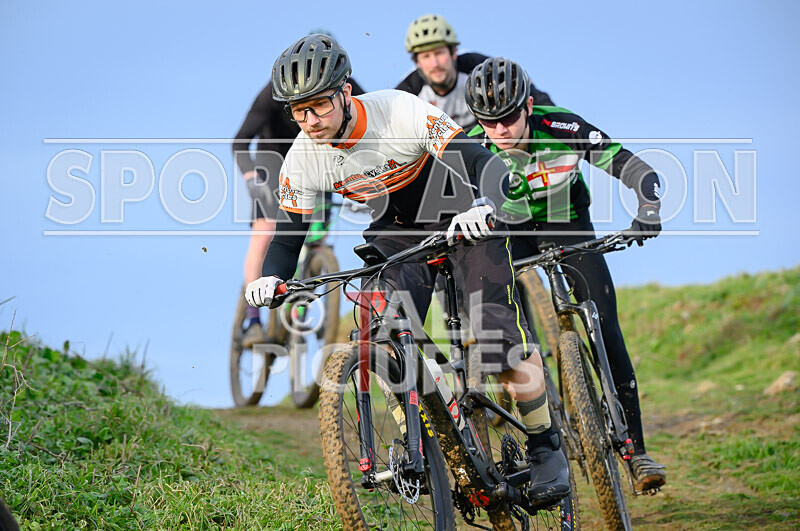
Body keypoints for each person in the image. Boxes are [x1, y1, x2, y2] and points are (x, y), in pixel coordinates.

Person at [245, 33, 569, 506]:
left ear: (345, 94)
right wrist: (269, 278)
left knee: (496, 339)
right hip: (397, 230)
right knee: (381, 331)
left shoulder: (399, 111)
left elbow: (477, 159)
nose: (309, 120)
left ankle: (546, 447)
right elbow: (288, 235)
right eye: (298, 111)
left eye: (318, 106)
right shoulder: (302, 156)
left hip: (462, 214)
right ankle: (428, 443)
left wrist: (485, 204)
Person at [464, 56, 667, 492]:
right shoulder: (469, 144)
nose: (499, 131)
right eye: (488, 122)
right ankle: (532, 402)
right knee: (496, 317)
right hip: (509, 230)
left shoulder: (561, 126)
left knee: (603, 324)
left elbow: (633, 167)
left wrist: (647, 208)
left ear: (529, 106)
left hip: (566, 221)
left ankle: (636, 450)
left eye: (508, 119)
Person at [232, 65, 364, 348]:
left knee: (318, 234)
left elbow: (367, 124)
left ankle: (308, 300)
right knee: (266, 232)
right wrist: (250, 177)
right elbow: (240, 142)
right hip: (271, 166)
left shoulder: (342, 86)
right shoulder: (271, 94)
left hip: (318, 165)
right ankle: (253, 318)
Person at [396, 14, 554, 131]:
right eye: (426, 56)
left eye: (439, 53)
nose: (435, 64)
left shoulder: (478, 67)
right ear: (417, 63)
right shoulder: (408, 91)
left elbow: (528, 95)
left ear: (454, 52)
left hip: (488, 138)